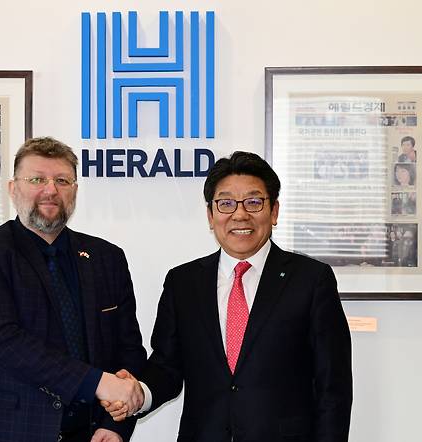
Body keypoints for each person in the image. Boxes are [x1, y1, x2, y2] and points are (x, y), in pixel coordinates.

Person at [105, 151, 352, 441]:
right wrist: (139, 394)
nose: (239, 214)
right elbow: (166, 367)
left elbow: (332, 386)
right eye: (226, 204)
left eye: (254, 202)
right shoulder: (183, 282)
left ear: (274, 211)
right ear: (211, 215)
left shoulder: (311, 280)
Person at [0, 137, 147, 442]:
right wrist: (96, 382)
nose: (50, 190)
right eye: (37, 179)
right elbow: (2, 342)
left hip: (93, 435)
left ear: (75, 191)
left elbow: (130, 351)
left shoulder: (107, 258)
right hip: (4, 432)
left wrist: (115, 424)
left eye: (62, 180)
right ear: (13, 189)